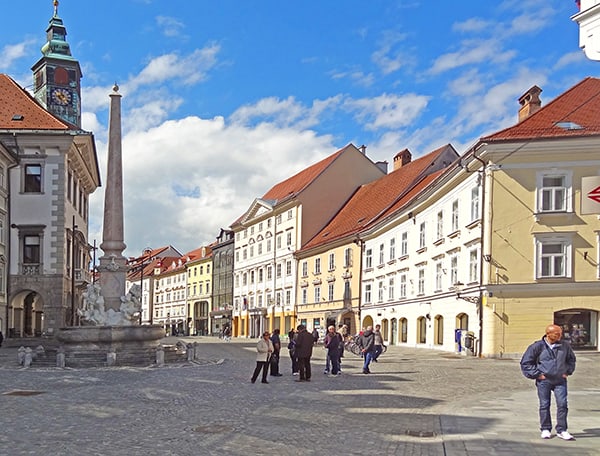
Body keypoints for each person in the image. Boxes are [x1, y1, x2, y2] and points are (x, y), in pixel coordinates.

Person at [520, 324, 577, 440]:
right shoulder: (537, 346)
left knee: (562, 404)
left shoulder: (564, 346)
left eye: (560, 333)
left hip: (560, 380)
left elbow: (571, 359)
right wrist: (537, 374)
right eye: (557, 334)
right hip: (544, 380)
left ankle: (562, 429)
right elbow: (526, 362)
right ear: (548, 334)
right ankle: (545, 428)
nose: (560, 336)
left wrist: (568, 371)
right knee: (544, 404)